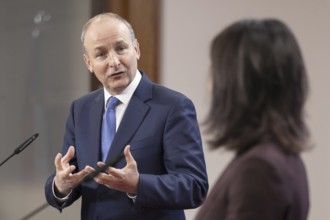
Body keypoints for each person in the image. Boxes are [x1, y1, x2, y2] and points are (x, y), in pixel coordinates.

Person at [44, 12, 208, 220]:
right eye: (101, 54)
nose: (114, 61)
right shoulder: (80, 109)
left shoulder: (173, 106)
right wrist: (61, 185)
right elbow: (70, 177)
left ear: (136, 49)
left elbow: (194, 186)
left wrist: (138, 185)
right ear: (88, 63)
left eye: (121, 48)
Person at [195, 18, 310, 220]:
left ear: (238, 84)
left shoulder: (259, 169)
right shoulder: (283, 158)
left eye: (217, 71)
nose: (211, 84)